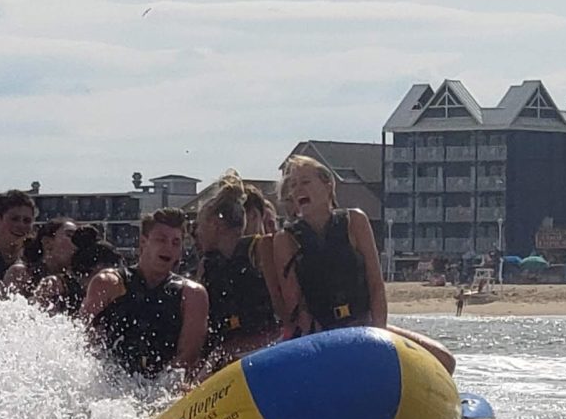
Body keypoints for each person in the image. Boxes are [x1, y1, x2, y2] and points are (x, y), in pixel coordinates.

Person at [272, 154, 456, 375]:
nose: (298, 189)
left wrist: (377, 338)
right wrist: (321, 346)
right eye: (293, 185)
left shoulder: (355, 222)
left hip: (365, 325)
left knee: (445, 361)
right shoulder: (285, 240)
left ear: (327, 185)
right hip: (321, 334)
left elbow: (376, 285)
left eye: (305, 182)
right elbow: (297, 306)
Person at [83, 207, 208, 376]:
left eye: (175, 242)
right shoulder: (108, 284)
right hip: (109, 382)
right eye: (161, 240)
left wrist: (161, 390)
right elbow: (82, 342)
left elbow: (187, 358)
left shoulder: (192, 295)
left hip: (160, 387)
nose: (168, 247)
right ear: (143, 242)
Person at [194, 173, 283, 366]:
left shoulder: (260, 250)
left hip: (268, 348)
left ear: (215, 225)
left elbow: (281, 313)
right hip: (225, 356)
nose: (196, 233)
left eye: (199, 226)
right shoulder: (207, 265)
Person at [24, 217, 81, 313]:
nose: (77, 243)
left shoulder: (76, 284)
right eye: (70, 235)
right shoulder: (22, 274)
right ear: (47, 243)